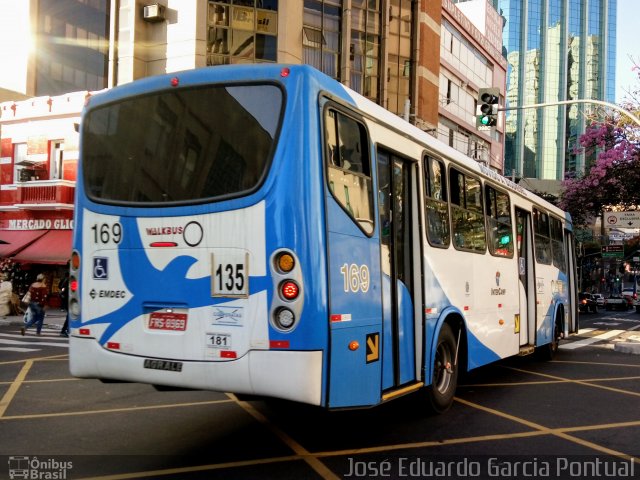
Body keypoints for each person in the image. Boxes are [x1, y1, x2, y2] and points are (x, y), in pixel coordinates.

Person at [58, 271, 69, 337]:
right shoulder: (67, 280)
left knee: (69, 316)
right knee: (69, 316)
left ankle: (66, 329)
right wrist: (63, 292)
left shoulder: (65, 279)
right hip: (67, 298)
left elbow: (61, 287)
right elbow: (62, 287)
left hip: (66, 298)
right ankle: (64, 330)